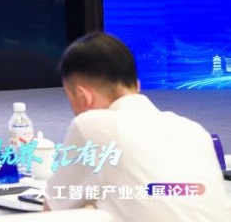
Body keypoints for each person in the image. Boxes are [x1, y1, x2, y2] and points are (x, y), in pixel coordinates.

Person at [45, 31, 230, 220]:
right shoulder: (194, 131)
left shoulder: (92, 126)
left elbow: (52, 211)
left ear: (83, 96)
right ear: (137, 85)